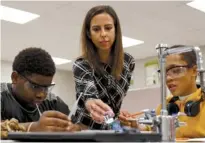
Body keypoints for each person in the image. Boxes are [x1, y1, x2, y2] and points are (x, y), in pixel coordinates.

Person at [72, 5, 135, 130]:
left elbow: (115, 105)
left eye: (108, 28)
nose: (103, 34)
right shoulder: (81, 64)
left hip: (110, 128)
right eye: (96, 29)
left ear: (116, 30)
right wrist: (92, 103)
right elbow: (90, 94)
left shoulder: (128, 62)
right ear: (89, 34)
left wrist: (118, 118)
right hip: (85, 129)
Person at [1, 47, 82, 132]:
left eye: (46, 87)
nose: (42, 95)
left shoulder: (53, 102)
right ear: (15, 78)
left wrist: (73, 127)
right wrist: (33, 127)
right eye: (35, 86)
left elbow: (77, 126)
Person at [155, 45, 205, 138]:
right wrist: (134, 126)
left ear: (194, 71)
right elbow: (151, 131)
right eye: (164, 73)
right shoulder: (164, 106)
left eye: (176, 70)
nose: (168, 78)